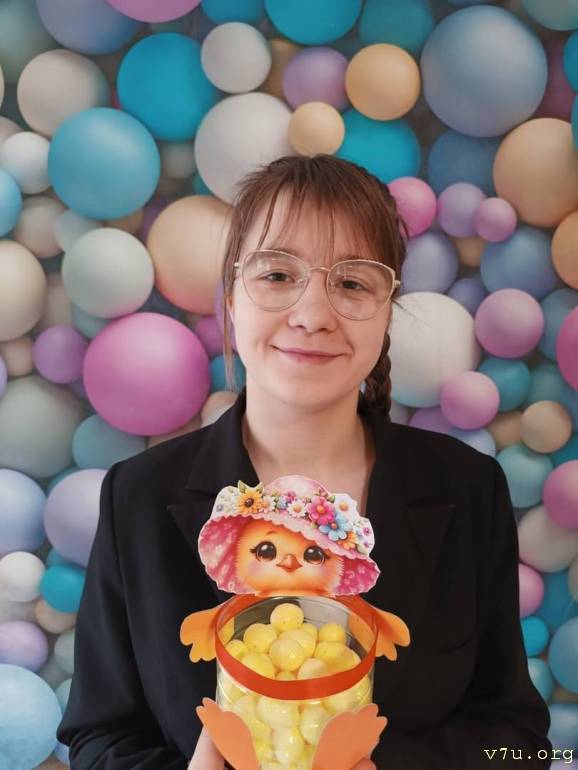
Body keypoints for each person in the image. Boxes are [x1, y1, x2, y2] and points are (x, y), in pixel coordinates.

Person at [57, 154, 553, 769]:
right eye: (276, 274)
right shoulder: (138, 495)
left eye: (352, 283)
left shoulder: (467, 485)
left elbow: (519, 743)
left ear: (387, 309)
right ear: (232, 297)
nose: (313, 316)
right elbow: (99, 738)